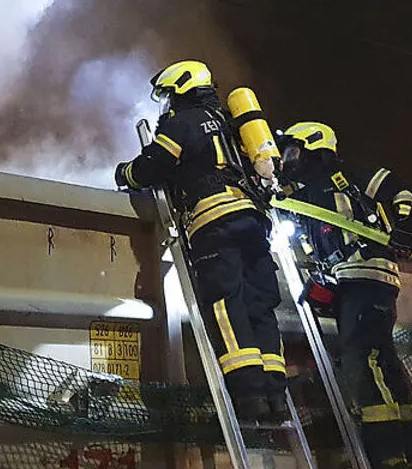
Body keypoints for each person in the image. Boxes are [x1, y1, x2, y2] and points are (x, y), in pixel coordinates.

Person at [115, 59, 287, 422]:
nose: (165, 103)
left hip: (213, 222)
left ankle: (249, 395)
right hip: (254, 221)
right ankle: (275, 395)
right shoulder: (234, 124)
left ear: (181, 89)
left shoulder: (182, 123)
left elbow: (153, 164)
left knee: (226, 303)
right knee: (261, 304)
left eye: (167, 94)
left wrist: (125, 174)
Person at [277, 121, 412, 469]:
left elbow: (402, 193)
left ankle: (387, 451)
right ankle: (411, 446)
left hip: (365, 274)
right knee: (383, 359)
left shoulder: (351, 176)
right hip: (356, 279)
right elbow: (283, 210)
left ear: (314, 147)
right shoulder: (308, 193)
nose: (289, 159)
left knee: (361, 360)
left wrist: (405, 229)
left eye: (294, 151)